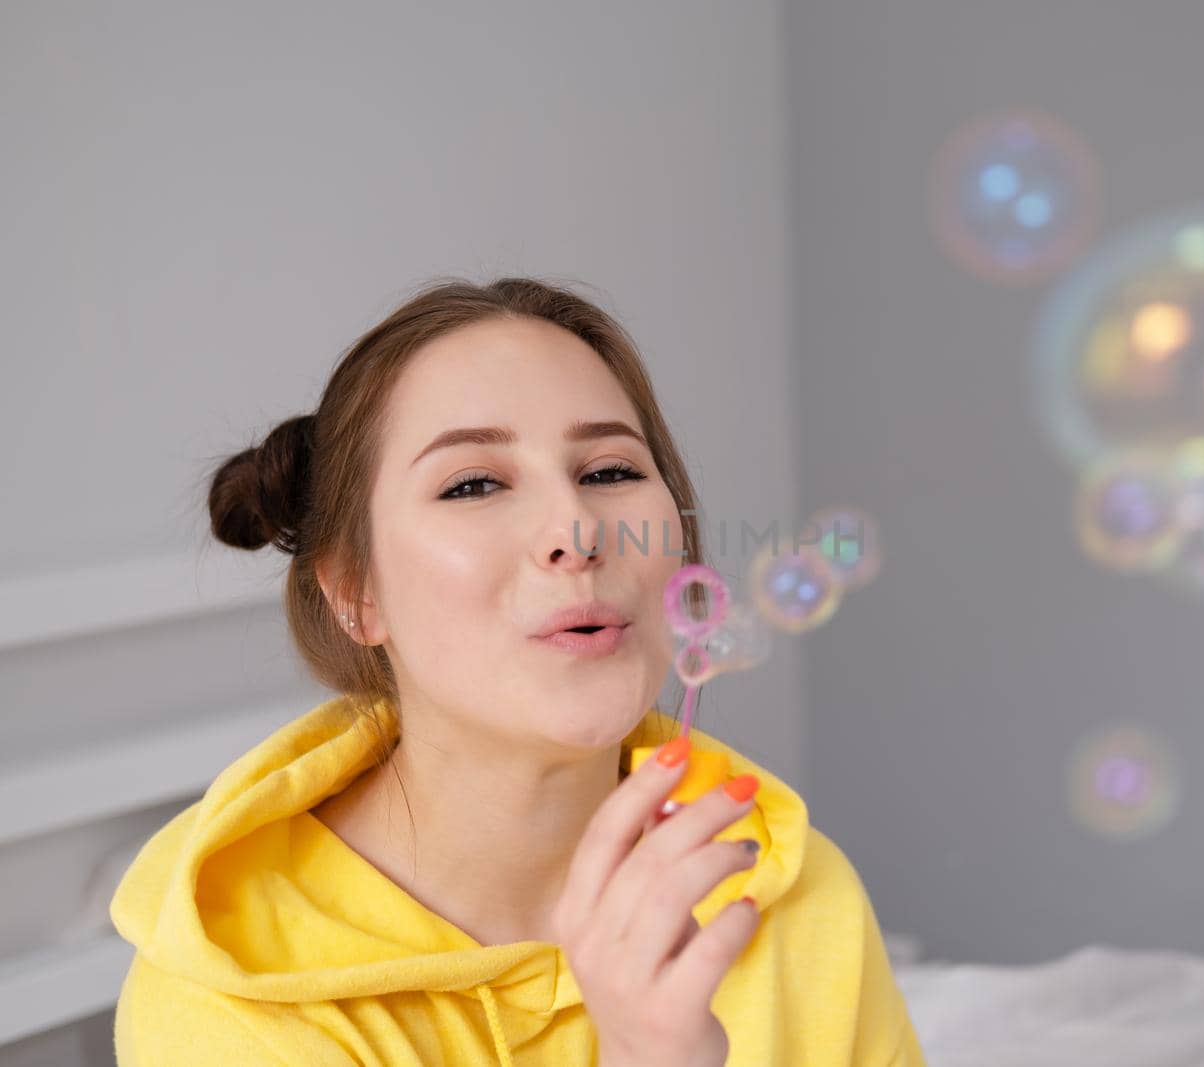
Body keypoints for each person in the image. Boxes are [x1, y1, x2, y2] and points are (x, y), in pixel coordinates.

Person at [108, 277, 925, 1066]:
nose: (576, 529)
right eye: (473, 484)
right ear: (355, 591)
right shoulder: (228, 999)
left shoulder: (794, 892)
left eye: (609, 471)